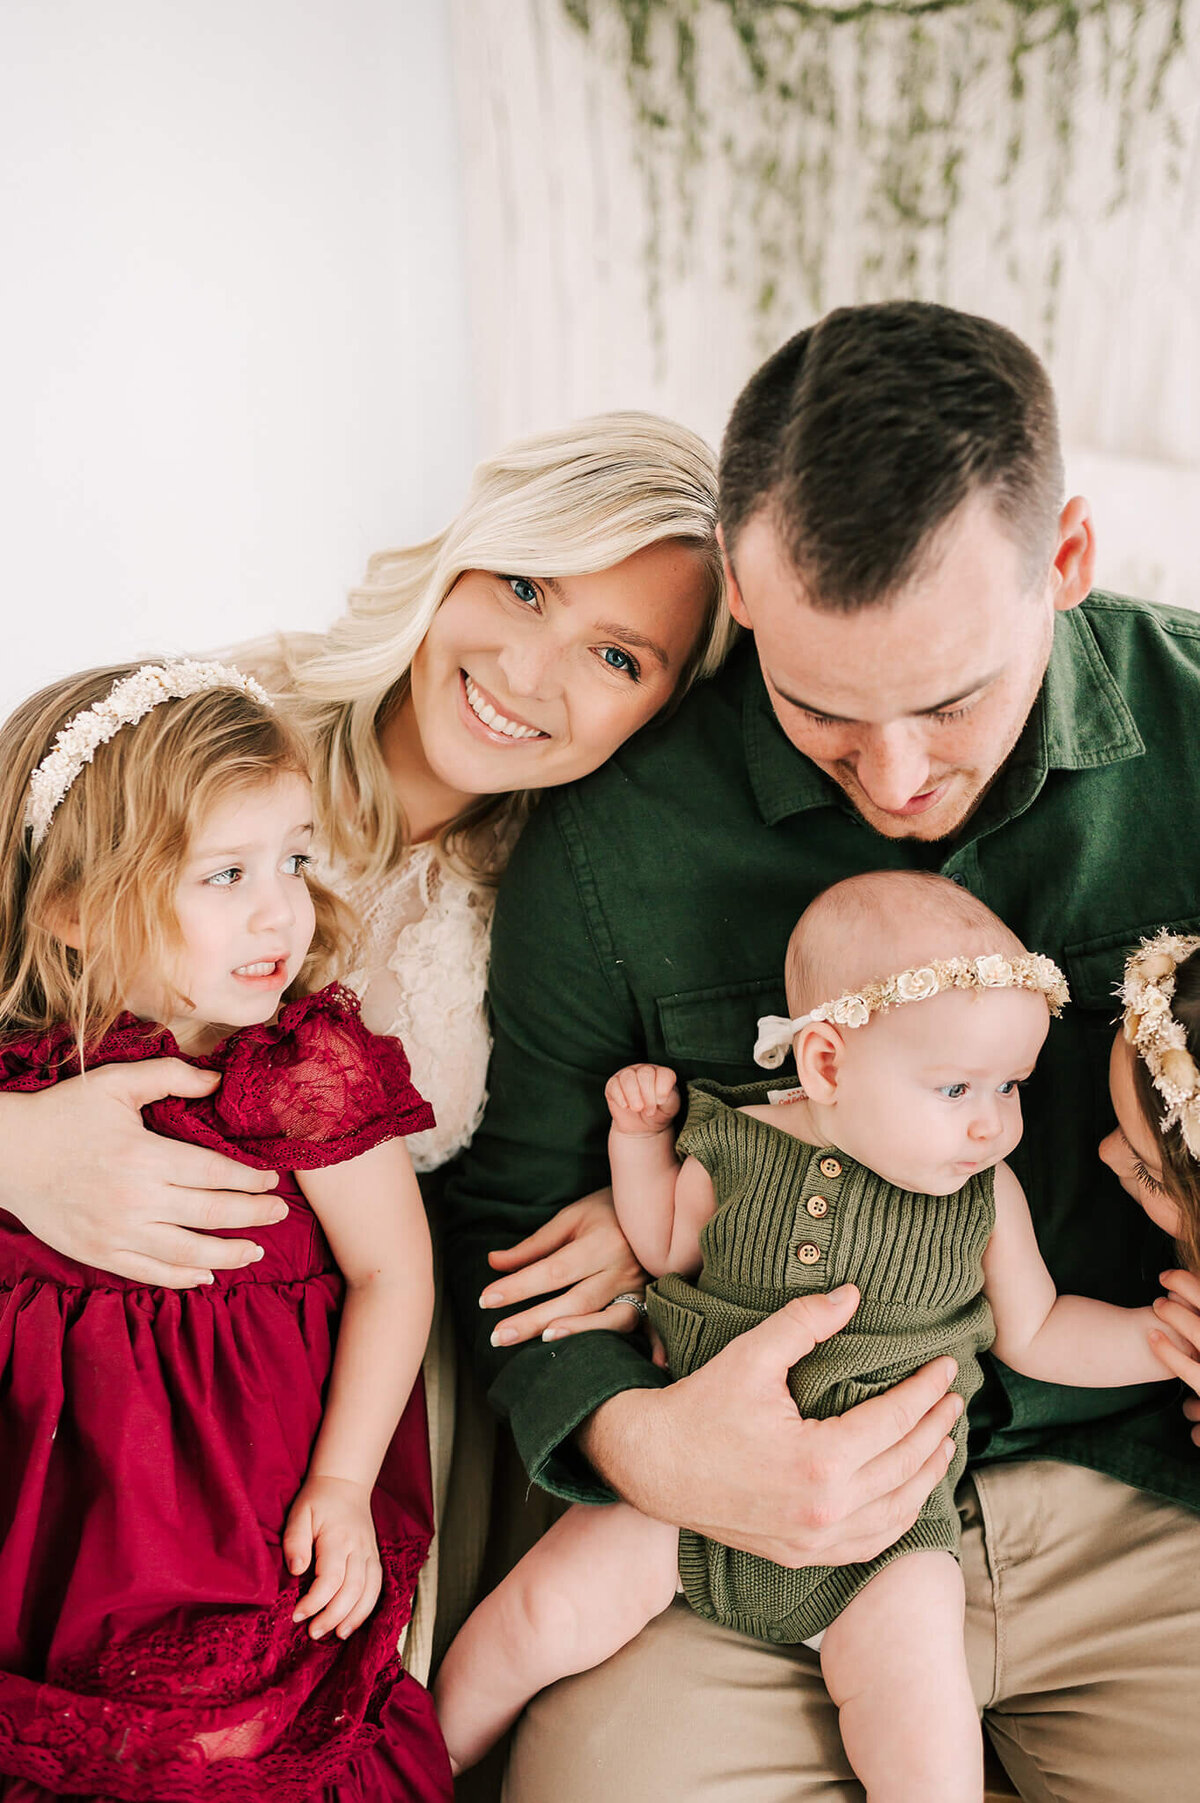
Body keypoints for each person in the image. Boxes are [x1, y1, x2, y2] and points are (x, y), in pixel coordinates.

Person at [441, 301, 1200, 1801]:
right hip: (732, 1536)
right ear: (742, 588)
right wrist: (648, 1441)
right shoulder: (616, 834)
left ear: (1065, 561)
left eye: (951, 699)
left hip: (1136, 1492)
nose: (898, 776)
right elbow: (506, 1214)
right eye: (823, 712)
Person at [0, 416, 739, 1686]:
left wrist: (644, 1200)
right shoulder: (213, 734)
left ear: (668, 704)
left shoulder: (595, 891)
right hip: (67, 1362)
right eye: (524, 585)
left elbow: (727, 1088)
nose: (528, 670)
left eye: (616, 654)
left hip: (316, 1391)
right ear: (458, 557)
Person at [435, 873, 1184, 1799]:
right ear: (826, 1065)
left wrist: (1159, 1336)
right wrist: (640, 1142)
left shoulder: (988, 1195)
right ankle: (422, 1758)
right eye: (955, 1087)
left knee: (920, 1712)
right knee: (540, 1611)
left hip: (892, 1531)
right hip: (695, 1493)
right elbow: (665, 1241)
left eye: (1010, 1086)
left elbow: (1039, 1330)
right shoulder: (739, 1138)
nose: (993, 1122)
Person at [0, 659, 452, 1800]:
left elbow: (396, 1273)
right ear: (69, 904)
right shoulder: (19, 1076)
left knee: (231, 1748)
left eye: (294, 861)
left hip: (236, 1521)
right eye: (224, 874)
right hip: (41, 1518)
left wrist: (345, 1484)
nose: (279, 911)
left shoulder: (299, 1069)